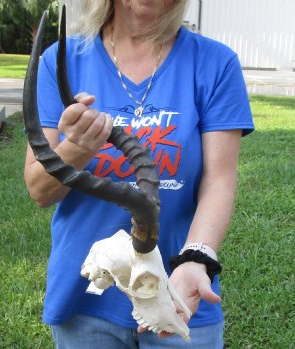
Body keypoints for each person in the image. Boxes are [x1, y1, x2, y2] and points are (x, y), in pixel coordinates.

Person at [24, 0, 254, 348]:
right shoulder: (61, 61)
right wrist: (79, 147)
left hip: (178, 293)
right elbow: (41, 191)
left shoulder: (215, 63)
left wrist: (196, 257)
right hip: (86, 295)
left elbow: (219, 181)